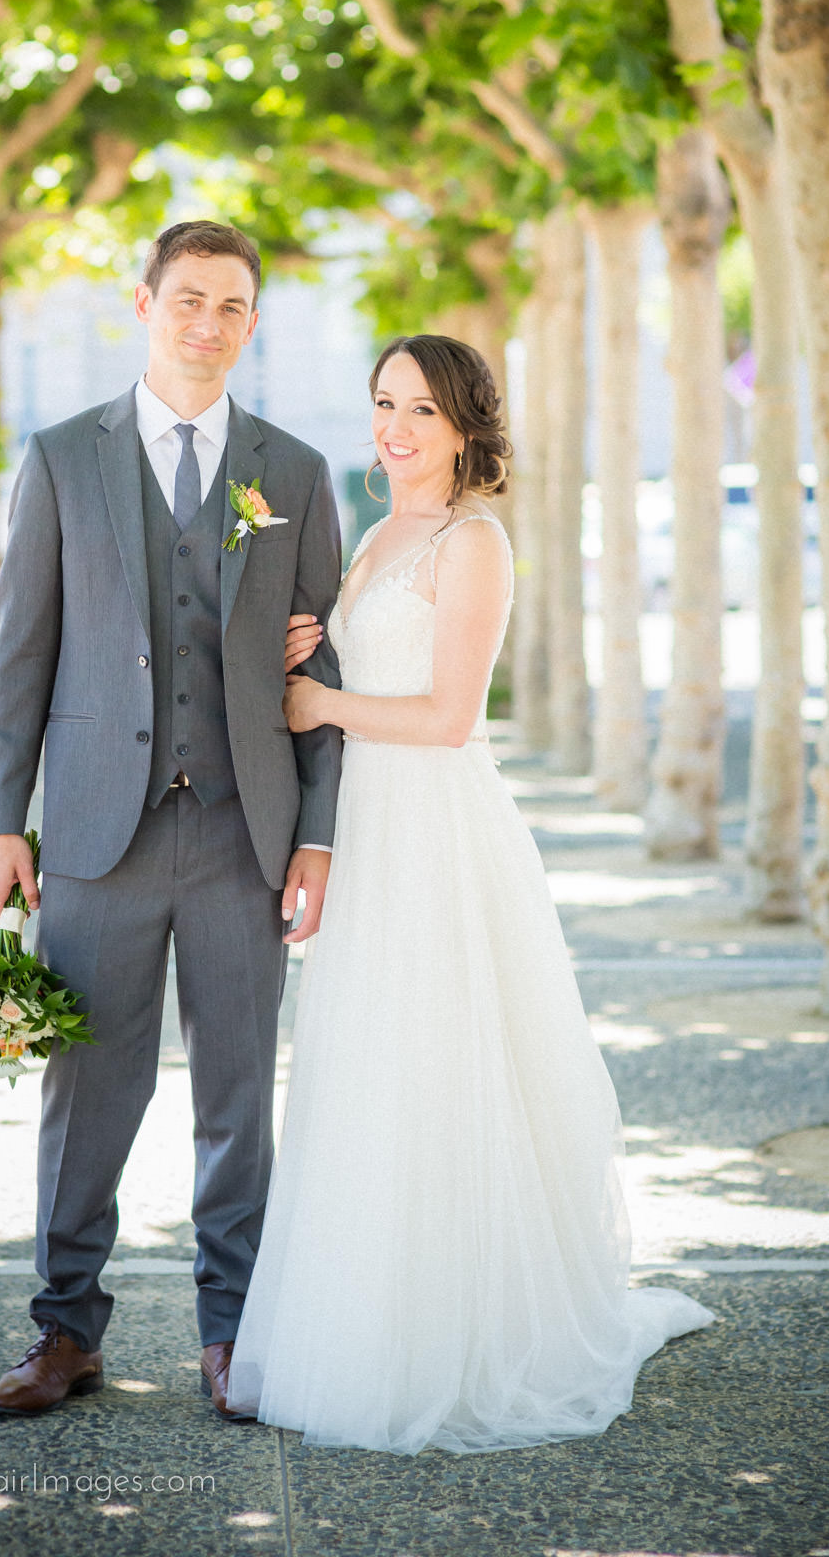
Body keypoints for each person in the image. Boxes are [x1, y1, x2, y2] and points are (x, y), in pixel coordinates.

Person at [226, 333, 714, 1454]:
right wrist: (316, 648)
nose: (395, 429)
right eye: (384, 403)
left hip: (439, 832)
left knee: (443, 1067)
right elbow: (367, 663)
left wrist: (322, 707)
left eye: (422, 412)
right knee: (372, 1070)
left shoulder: (475, 541)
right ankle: (361, 1323)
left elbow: (450, 717)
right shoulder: (379, 531)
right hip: (372, 831)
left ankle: (458, 1336)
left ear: (465, 430)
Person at [0, 221, 342, 1418]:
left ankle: (234, 1333)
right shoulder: (57, 457)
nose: (207, 322)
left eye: (232, 305)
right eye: (187, 298)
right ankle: (64, 1331)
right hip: (94, 835)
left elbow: (318, 676)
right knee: (87, 1094)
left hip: (245, 834)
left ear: (252, 323)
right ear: (143, 305)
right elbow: (20, 656)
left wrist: (318, 835)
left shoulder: (292, 473)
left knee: (239, 1100)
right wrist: (4, 820)